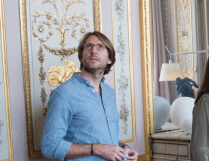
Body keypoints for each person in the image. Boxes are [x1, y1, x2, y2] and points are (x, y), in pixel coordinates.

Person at [41, 31, 138, 161]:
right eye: (89, 46)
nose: (94, 51)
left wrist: (123, 147)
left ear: (110, 58)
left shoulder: (109, 93)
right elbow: (49, 146)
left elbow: (104, 138)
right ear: (81, 56)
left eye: (100, 47)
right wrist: (96, 148)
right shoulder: (63, 94)